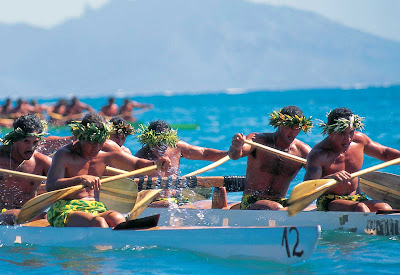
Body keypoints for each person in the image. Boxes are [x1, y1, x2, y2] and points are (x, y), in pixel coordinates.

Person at [46, 113, 170, 227]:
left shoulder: (106, 151)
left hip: (96, 207)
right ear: (81, 137)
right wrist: (79, 179)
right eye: (92, 142)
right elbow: (50, 186)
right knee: (99, 222)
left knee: (118, 218)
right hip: (66, 209)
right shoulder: (64, 155)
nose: (96, 147)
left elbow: (136, 164)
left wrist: (156, 163)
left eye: (100, 142)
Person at [304, 107, 400, 212]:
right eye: (342, 134)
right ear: (330, 133)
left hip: (357, 198)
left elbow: (384, 153)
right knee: (360, 208)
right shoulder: (318, 154)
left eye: (351, 132)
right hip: (330, 201)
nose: (348, 139)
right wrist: (331, 178)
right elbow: (308, 189)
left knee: (384, 208)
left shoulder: (359, 141)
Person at [228, 105, 313, 210]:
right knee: (277, 208)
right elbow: (235, 155)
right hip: (252, 201)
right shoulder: (258, 140)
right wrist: (236, 147)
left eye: (297, 127)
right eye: (289, 126)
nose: (293, 131)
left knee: (299, 206)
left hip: (280, 202)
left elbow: (319, 172)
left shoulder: (303, 151)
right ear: (279, 123)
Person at [134, 120, 227, 207]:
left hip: (177, 198)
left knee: (219, 193)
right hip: (153, 202)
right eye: (157, 142)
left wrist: (229, 153)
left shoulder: (177, 147)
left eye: (164, 142)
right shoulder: (141, 157)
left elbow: (204, 153)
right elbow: (135, 187)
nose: (161, 145)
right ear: (148, 140)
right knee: (170, 206)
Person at [0, 114, 52, 224]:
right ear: (15, 139)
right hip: (3, 214)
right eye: (26, 142)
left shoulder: (41, 162)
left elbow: (64, 183)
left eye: (35, 142)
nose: (31, 147)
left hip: (29, 214)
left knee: (47, 216)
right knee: (17, 215)